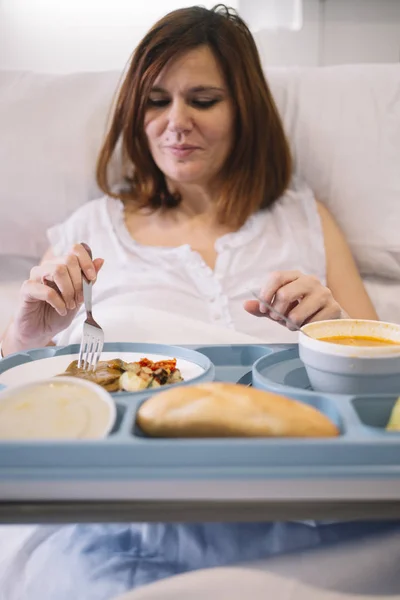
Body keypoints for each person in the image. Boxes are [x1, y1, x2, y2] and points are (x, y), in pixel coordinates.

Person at [1, 5, 394, 600]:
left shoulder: (305, 219)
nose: (175, 122)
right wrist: (28, 342)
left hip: (306, 515)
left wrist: (332, 330)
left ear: (245, 110)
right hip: (123, 524)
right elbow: (28, 407)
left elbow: (384, 386)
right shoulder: (90, 231)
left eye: (203, 100)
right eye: (156, 101)